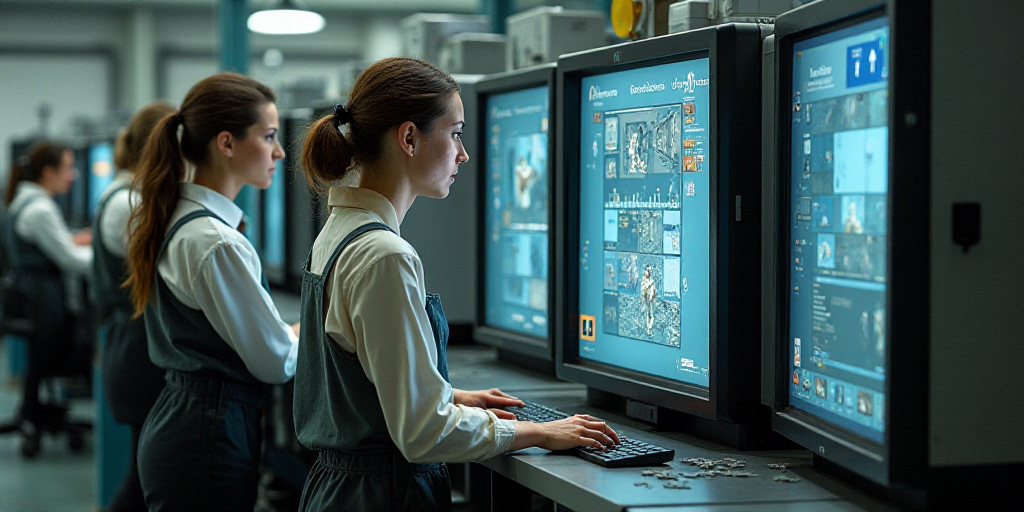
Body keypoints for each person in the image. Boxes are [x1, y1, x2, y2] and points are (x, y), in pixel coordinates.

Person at [294, 57, 619, 512]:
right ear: (409, 138)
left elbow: (356, 382)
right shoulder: (384, 255)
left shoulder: (337, 231)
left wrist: (447, 394)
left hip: (340, 490)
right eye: (456, 133)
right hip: (382, 495)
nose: (463, 154)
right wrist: (540, 432)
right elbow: (424, 434)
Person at [123, 73, 300, 512]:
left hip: (186, 421)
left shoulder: (181, 217)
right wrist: (307, 336)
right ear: (226, 143)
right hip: (208, 434)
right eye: (269, 136)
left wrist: (284, 333)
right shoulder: (215, 241)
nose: (279, 152)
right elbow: (275, 362)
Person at [92, 101, 175, 512]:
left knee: (143, 479)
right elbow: (169, 271)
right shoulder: (129, 202)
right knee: (143, 484)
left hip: (134, 347)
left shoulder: (125, 194)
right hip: (138, 352)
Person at [3, 141, 93, 448]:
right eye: (68, 168)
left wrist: (70, 240)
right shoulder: (41, 209)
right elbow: (69, 260)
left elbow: (56, 247)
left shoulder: (23, 202)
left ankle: (31, 413)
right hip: (46, 304)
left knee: (38, 363)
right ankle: (34, 415)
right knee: (59, 354)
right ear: (48, 172)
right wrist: (107, 258)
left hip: (33, 301)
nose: (74, 175)